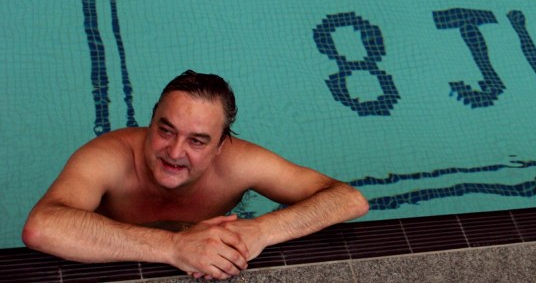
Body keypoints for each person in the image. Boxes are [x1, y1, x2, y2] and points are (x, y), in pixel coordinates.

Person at [22, 70, 369, 280]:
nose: (174, 153)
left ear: (221, 146)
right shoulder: (110, 157)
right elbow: (42, 226)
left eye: (197, 141)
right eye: (166, 130)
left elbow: (348, 200)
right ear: (151, 120)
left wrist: (262, 230)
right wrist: (173, 247)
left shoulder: (240, 162)